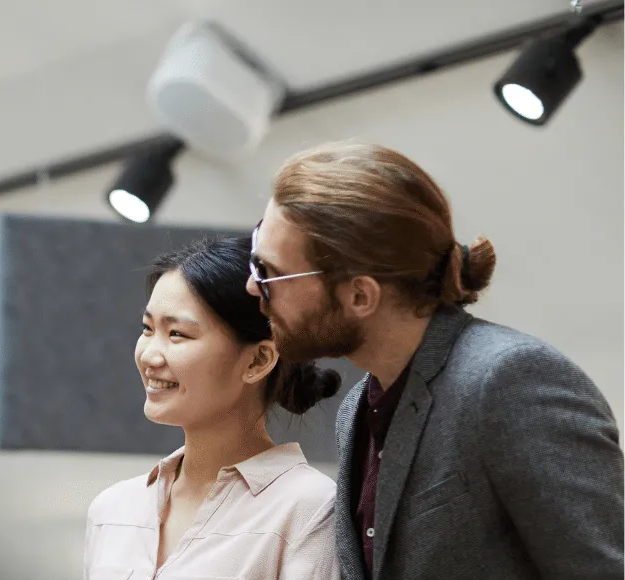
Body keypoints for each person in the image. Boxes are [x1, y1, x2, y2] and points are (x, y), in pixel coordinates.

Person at [249, 140, 624, 580]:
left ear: (360, 295)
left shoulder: (509, 381)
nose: (252, 288)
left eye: (268, 272)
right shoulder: (357, 408)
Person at [85, 236, 341, 579]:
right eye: (147, 329)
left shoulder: (310, 509)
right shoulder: (112, 509)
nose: (148, 356)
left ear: (258, 360)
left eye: (177, 334)